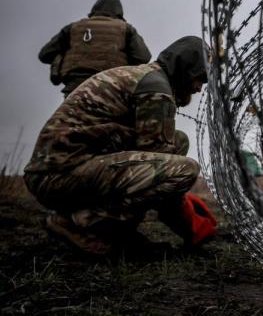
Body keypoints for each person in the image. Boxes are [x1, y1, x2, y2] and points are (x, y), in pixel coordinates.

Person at [23, 36, 214, 256]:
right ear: (185, 67)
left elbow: (155, 155)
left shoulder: (145, 76)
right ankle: (80, 225)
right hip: (58, 176)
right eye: (199, 78)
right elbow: (160, 167)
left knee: (178, 141)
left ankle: (114, 231)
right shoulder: (156, 88)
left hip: (60, 170)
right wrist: (189, 221)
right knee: (186, 169)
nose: (199, 88)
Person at [38, 0, 151, 97]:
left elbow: (45, 54)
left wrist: (66, 55)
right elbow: (143, 57)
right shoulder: (126, 29)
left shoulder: (73, 28)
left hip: (75, 88)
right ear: (119, 12)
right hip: (110, 87)